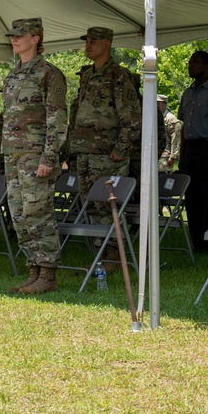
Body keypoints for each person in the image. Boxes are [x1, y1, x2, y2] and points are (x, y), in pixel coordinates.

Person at [2, 17, 68, 294]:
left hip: (35, 153)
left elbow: (57, 119)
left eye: (20, 35)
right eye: (12, 36)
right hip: (13, 154)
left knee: (37, 212)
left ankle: (48, 274)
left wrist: (48, 158)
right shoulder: (13, 74)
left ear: (35, 39)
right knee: (19, 215)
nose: (14, 40)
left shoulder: (48, 73)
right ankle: (34, 269)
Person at [66, 26, 141, 270]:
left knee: (108, 206)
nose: (88, 45)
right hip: (85, 153)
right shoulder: (87, 76)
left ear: (107, 44)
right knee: (90, 205)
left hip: (108, 155)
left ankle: (113, 254)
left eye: (93, 41)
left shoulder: (119, 76)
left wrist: (120, 149)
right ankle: (102, 254)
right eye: (86, 41)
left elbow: (132, 118)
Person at [177, 50, 208, 254]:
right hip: (191, 151)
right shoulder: (188, 93)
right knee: (192, 197)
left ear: (207, 66)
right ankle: (196, 243)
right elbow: (184, 126)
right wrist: (182, 155)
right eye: (189, 62)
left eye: (195, 62)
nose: (190, 65)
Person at [157, 94, 182, 172]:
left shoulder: (170, 119)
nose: (156, 105)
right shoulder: (155, 116)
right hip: (157, 153)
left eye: (158, 103)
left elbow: (176, 137)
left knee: (162, 176)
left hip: (165, 155)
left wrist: (173, 156)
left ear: (164, 104)